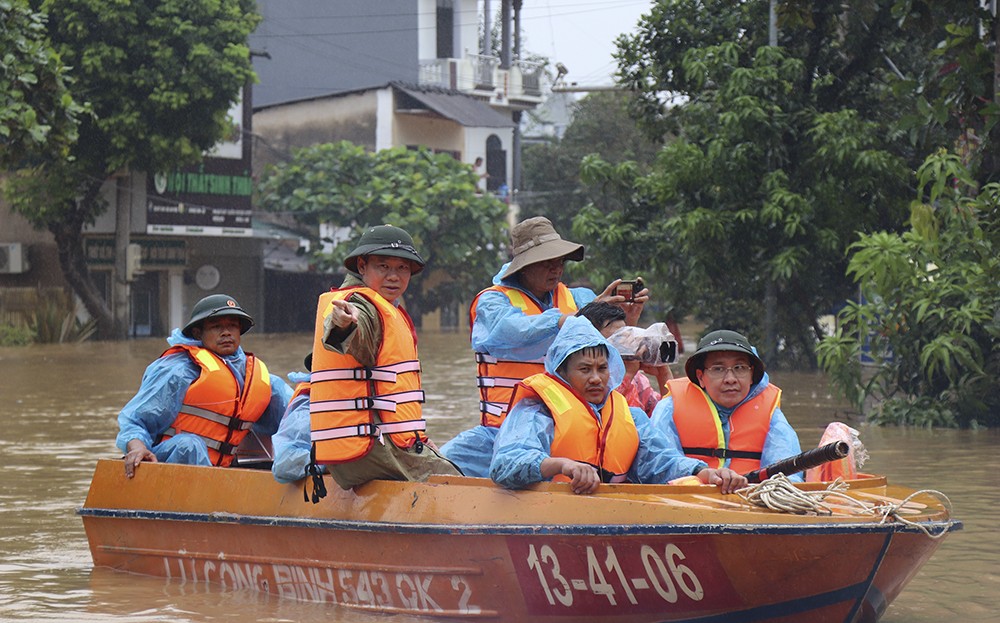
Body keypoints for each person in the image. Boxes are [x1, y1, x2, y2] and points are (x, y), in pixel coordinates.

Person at [442, 216, 645, 477]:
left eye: (559, 262)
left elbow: (615, 358)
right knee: (436, 466)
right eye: (547, 263)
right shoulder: (492, 302)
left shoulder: (580, 298)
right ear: (524, 267)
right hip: (500, 433)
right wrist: (569, 320)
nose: (557, 269)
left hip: (572, 429)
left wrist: (626, 321)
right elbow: (509, 333)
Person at [489, 316, 746, 494]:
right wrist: (562, 465)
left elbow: (661, 462)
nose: (596, 378)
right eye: (584, 369)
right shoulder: (537, 411)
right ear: (563, 373)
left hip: (611, 508)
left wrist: (703, 472)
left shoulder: (631, 416)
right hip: (551, 509)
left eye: (602, 368)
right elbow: (505, 464)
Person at [301, 225, 460, 490]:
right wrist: (344, 324)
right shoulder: (360, 305)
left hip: (360, 447)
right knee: (457, 485)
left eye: (402, 268)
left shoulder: (383, 305)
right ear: (362, 267)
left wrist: (418, 440)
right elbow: (353, 331)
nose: (394, 276)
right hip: (374, 445)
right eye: (383, 266)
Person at [117, 294, 293, 478]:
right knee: (189, 446)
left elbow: (294, 418)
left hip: (220, 472)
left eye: (232, 326)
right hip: (167, 462)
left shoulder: (260, 378)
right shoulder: (177, 370)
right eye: (216, 326)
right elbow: (135, 421)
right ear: (197, 333)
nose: (226, 333)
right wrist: (137, 448)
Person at [650, 329, 803, 481]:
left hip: (751, 498)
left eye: (740, 368)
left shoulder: (771, 414)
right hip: (691, 497)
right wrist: (700, 472)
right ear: (700, 377)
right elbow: (658, 462)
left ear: (751, 375)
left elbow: (787, 471)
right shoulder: (669, 407)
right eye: (718, 369)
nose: (730, 379)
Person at [576, 301, 671, 417]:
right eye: (617, 338)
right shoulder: (579, 379)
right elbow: (599, 417)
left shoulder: (638, 381)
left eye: (626, 336)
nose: (625, 344)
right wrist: (627, 374)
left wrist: (663, 374)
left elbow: (667, 419)